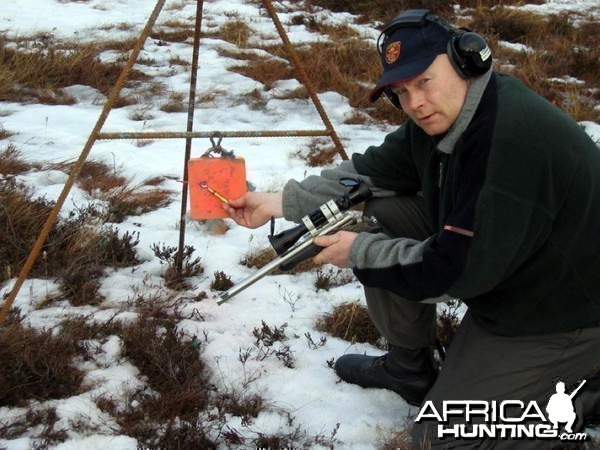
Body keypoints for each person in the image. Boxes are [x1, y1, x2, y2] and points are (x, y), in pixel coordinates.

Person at [223, 8, 600, 448]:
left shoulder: (508, 142)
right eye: (400, 90)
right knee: (379, 209)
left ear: (466, 62)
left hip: (560, 309)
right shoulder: (448, 114)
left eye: (424, 80)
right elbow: (363, 177)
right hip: (513, 269)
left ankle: (574, 406)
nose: (414, 102)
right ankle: (409, 368)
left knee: (444, 438)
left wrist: (359, 251)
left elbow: (454, 273)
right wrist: (276, 203)